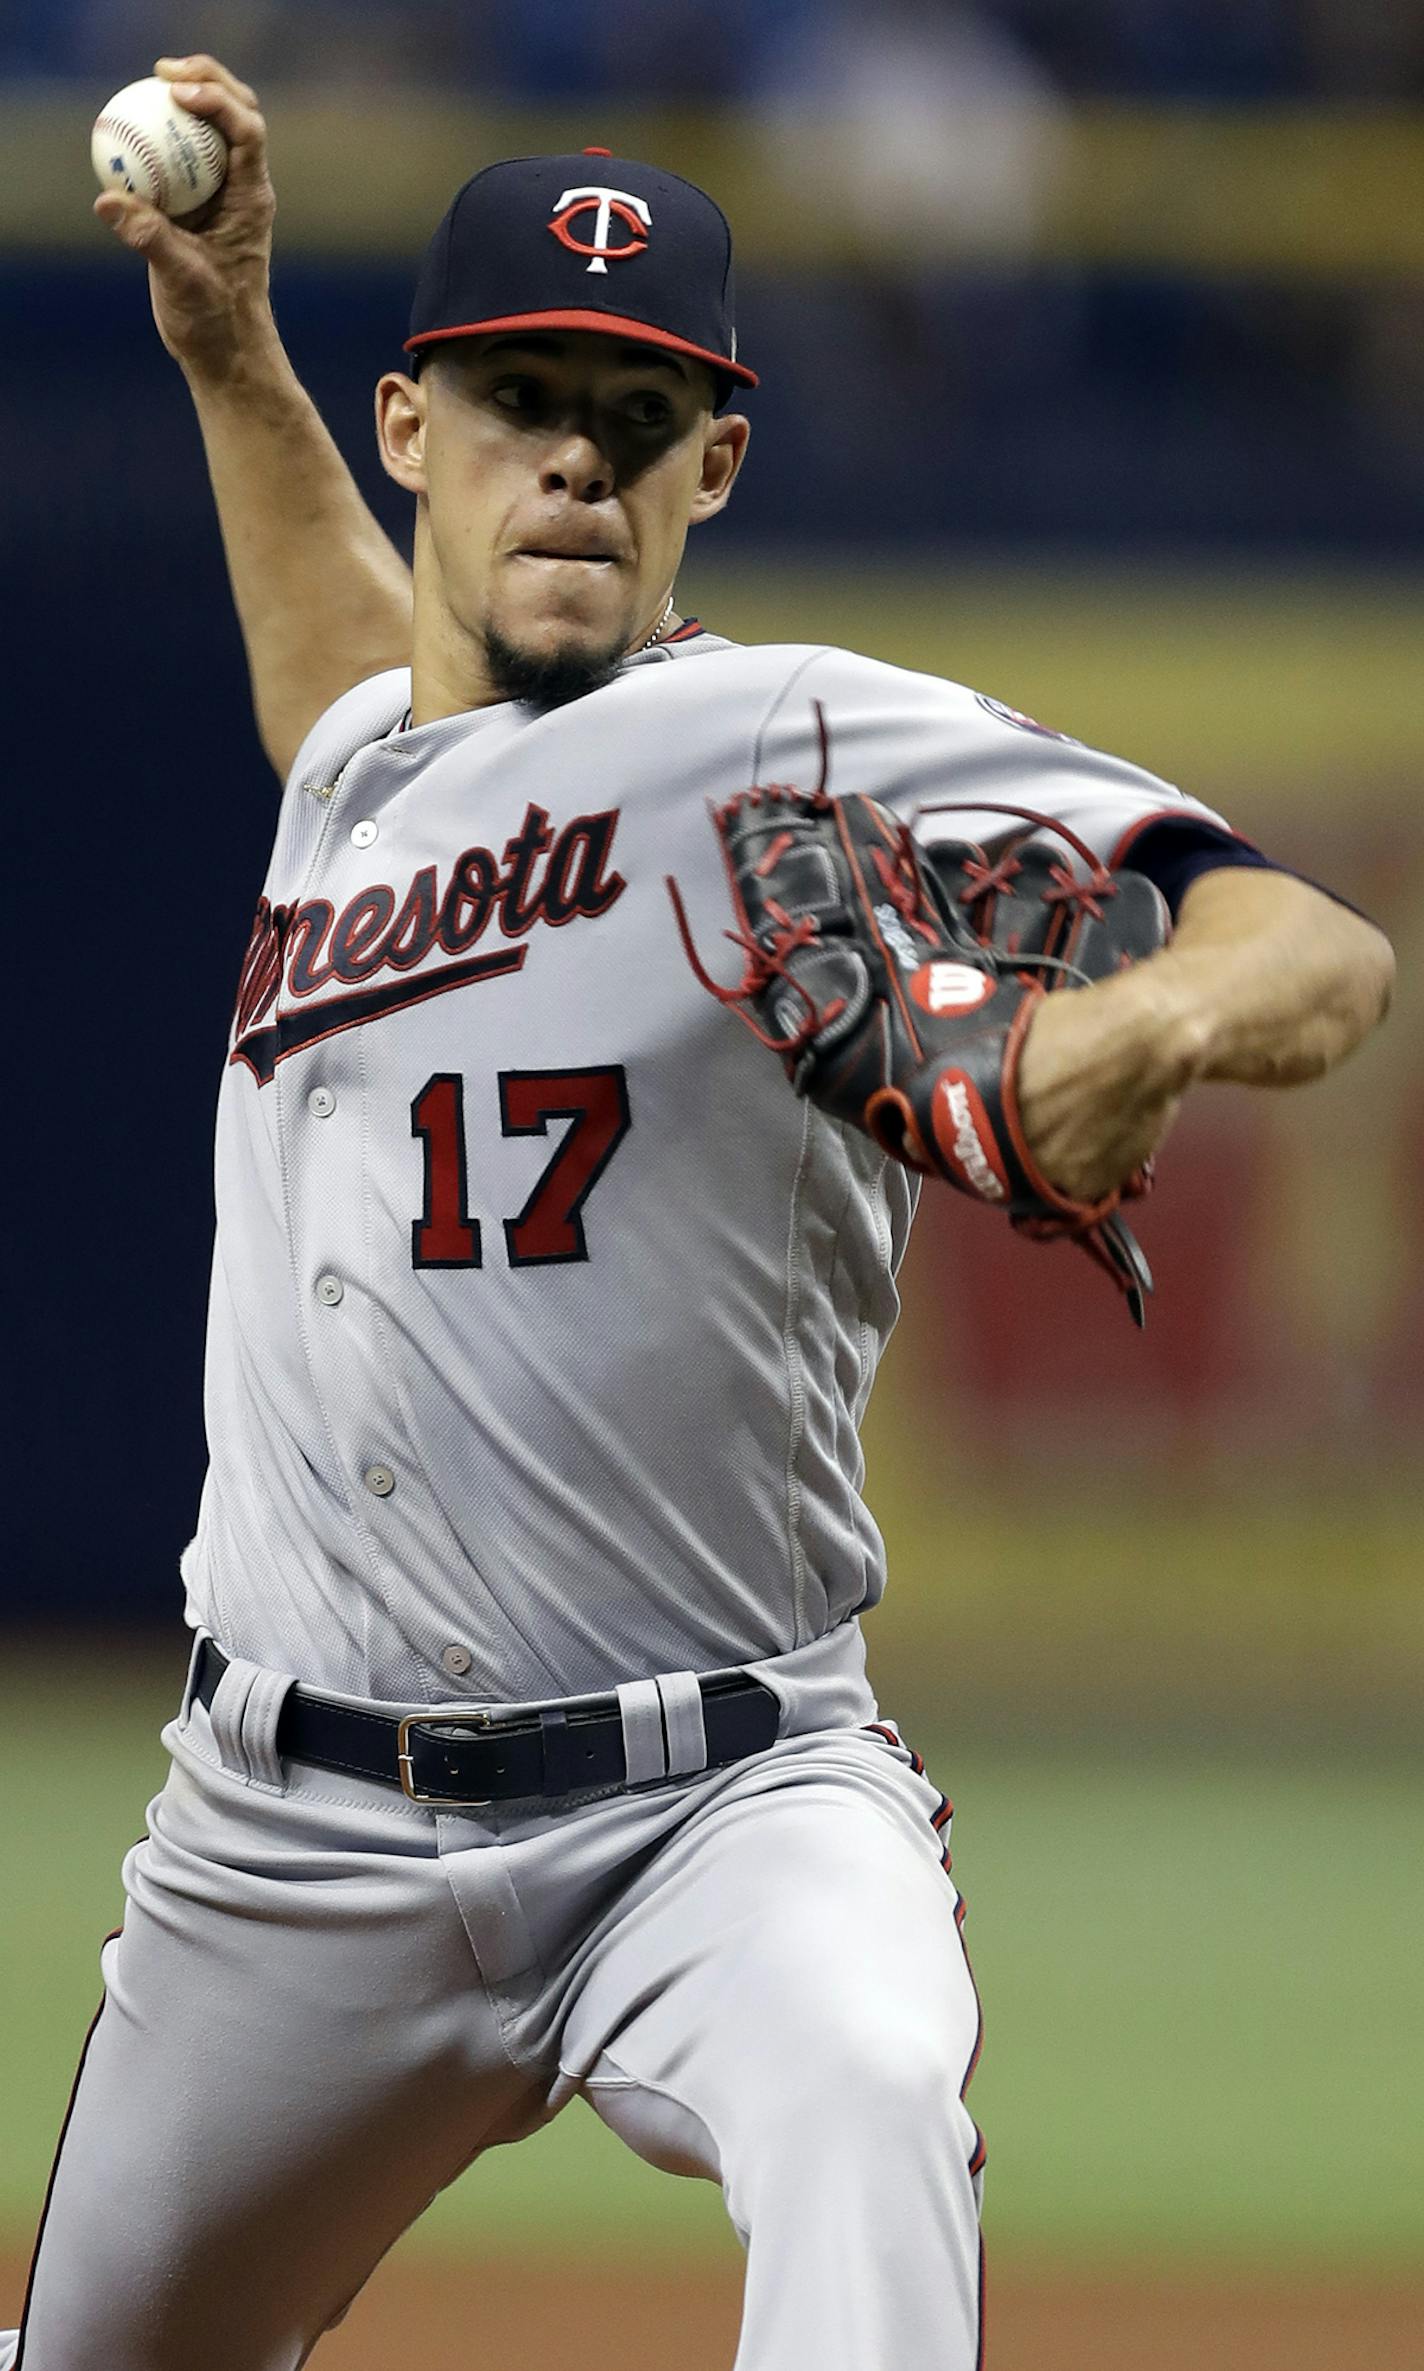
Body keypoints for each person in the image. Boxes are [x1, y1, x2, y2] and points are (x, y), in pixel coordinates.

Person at [5, 54, 1393, 2371]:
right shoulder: (367, 762)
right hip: (282, 1842)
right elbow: (343, 686)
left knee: (861, 2083)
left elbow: (1311, 949)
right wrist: (224, 350)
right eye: (520, 394)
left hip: (716, 1804)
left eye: (636, 418)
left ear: (712, 470)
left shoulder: (789, 736)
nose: (576, 453)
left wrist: (1119, 1040)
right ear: (412, 430)